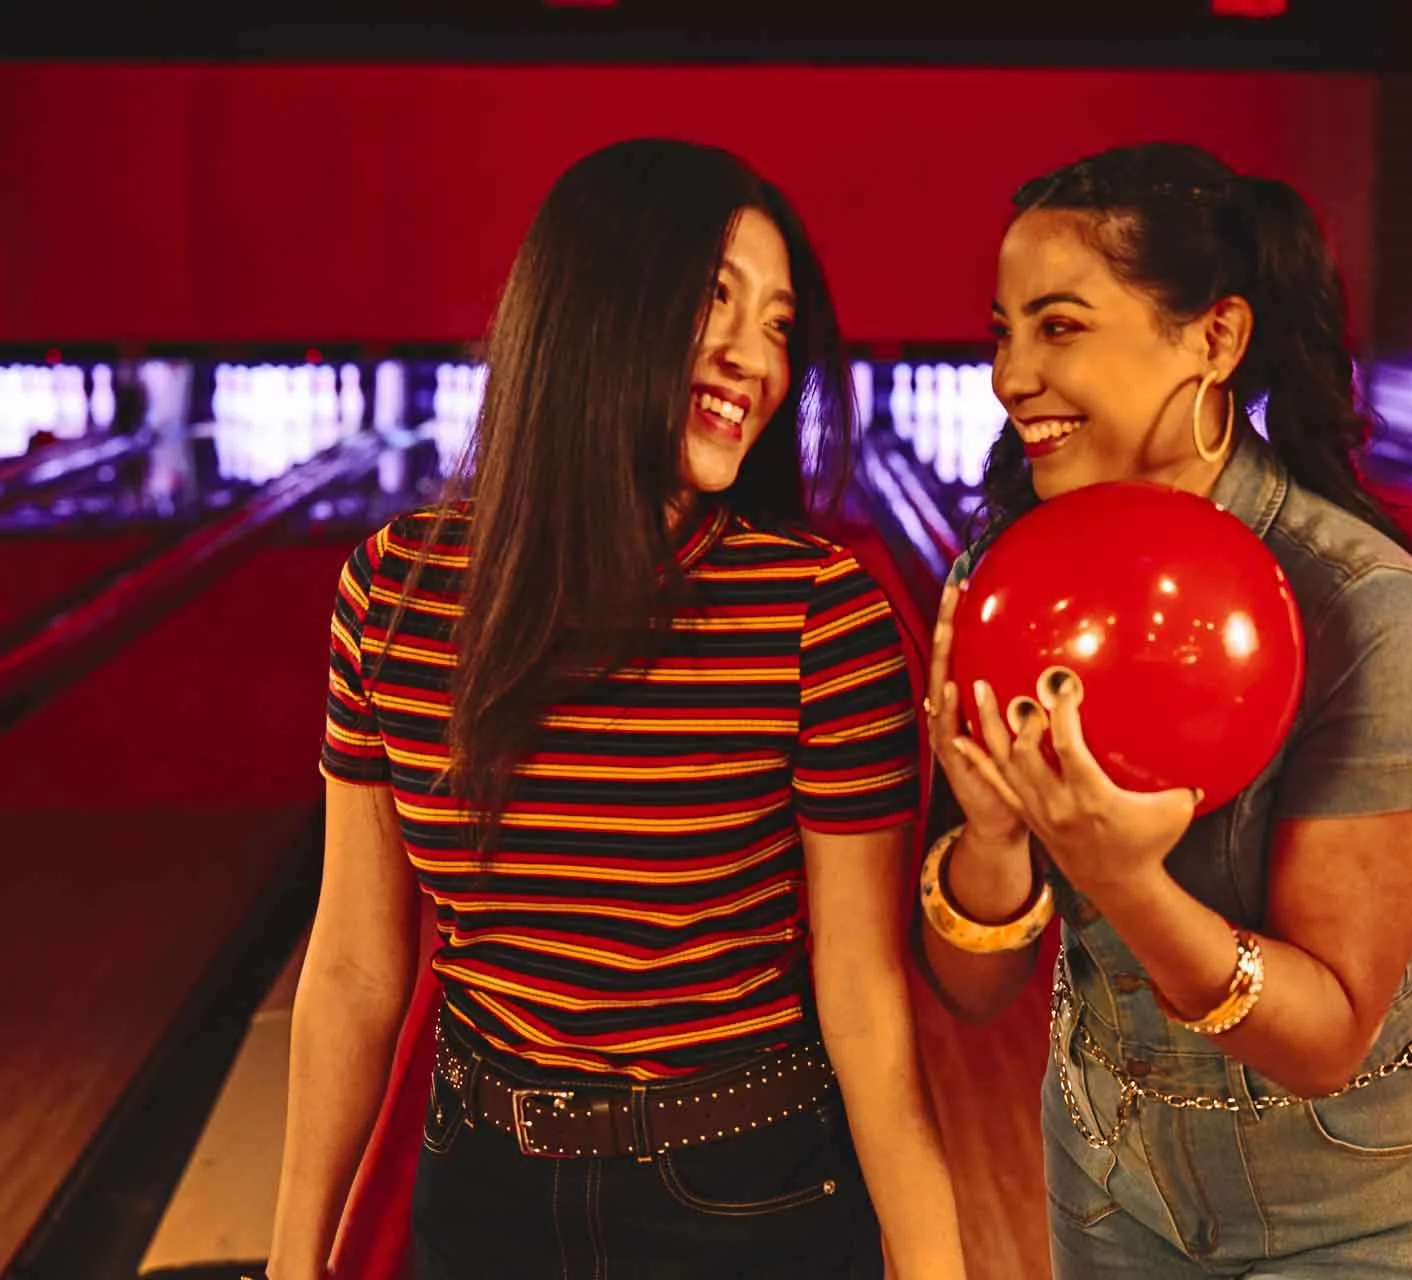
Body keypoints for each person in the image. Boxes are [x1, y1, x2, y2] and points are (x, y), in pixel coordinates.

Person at [269, 138, 965, 1280]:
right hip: (481, 1180)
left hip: (742, 1190)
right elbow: (351, 960)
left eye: (782, 325)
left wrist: (937, 1264)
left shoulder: (817, 616)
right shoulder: (391, 589)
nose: (759, 360)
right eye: (716, 300)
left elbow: (864, 992)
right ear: (595, 307)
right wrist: (296, 1262)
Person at [915, 142, 1412, 1278]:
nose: (1008, 375)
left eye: (1059, 326)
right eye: (1003, 331)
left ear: (1215, 338)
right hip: (1110, 1176)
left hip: (1364, 1204)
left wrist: (1128, 881)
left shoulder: (1366, 606)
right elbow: (977, 988)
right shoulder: (998, 590)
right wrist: (991, 841)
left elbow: (1328, 1036)